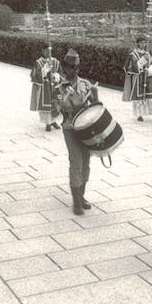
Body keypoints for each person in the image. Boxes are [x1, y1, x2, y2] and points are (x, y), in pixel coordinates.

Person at [55, 49, 99, 215]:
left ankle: (81, 195)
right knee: (76, 161)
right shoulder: (59, 87)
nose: (74, 70)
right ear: (65, 68)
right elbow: (57, 109)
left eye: (77, 67)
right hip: (70, 127)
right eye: (71, 67)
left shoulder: (86, 84)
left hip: (86, 127)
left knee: (86, 160)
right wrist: (67, 98)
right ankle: (76, 201)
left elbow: (96, 107)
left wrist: (95, 94)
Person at [122, 35, 152, 121]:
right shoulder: (133, 55)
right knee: (138, 97)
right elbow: (130, 67)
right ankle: (139, 114)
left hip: (148, 77)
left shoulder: (148, 54)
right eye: (142, 43)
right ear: (138, 43)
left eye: (145, 43)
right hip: (138, 78)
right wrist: (142, 61)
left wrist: (150, 70)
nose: (143, 44)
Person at [30, 45, 62, 131]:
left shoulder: (56, 62)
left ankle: (54, 121)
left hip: (54, 86)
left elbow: (61, 73)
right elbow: (33, 75)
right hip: (44, 87)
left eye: (49, 51)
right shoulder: (38, 62)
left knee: (55, 103)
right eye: (45, 50)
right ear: (42, 51)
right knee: (46, 105)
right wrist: (43, 71)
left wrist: (56, 76)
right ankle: (48, 123)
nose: (47, 52)